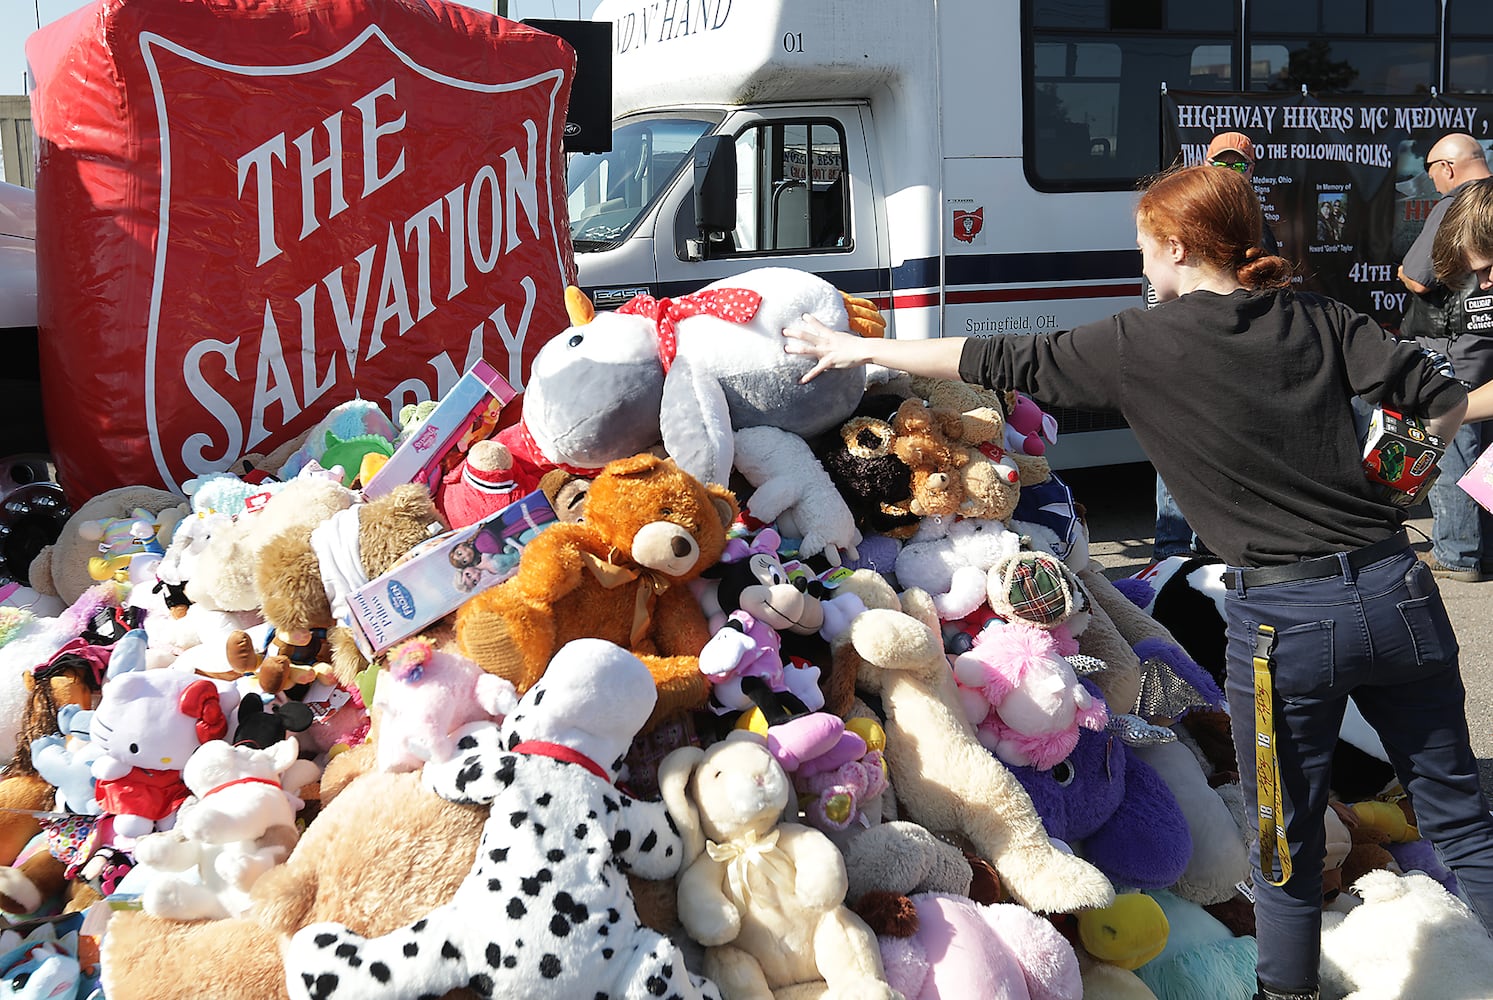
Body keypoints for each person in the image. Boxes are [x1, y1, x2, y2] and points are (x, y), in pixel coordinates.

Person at [783, 163, 1493, 1000]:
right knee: (1457, 812)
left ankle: (1285, 993)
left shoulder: (1136, 342)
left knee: (1284, 835)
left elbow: (992, 356)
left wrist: (859, 346)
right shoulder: (1318, 312)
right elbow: (1441, 398)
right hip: (1394, 591)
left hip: (1284, 621)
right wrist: (1390, 483)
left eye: (1143, 249)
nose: (1140, 268)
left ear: (1178, 245)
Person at [1152, 131, 1279, 560]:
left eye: (1240, 164)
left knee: (1220, 452)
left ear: (1253, 171)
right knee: (1173, 442)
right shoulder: (1182, 214)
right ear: (1206, 164)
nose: (1231, 171)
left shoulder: (1256, 225)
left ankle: (1210, 551)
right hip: (1180, 345)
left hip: (1232, 354)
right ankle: (1172, 551)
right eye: (1223, 162)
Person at [1398, 133, 1493, 583]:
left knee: (1458, 449)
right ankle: (1479, 547)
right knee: (1480, 449)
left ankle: (1459, 552)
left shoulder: (1456, 205)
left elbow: (1418, 278)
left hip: (1456, 346)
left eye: (1431, 169)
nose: (1485, 284)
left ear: (1448, 168)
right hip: (1483, 352)